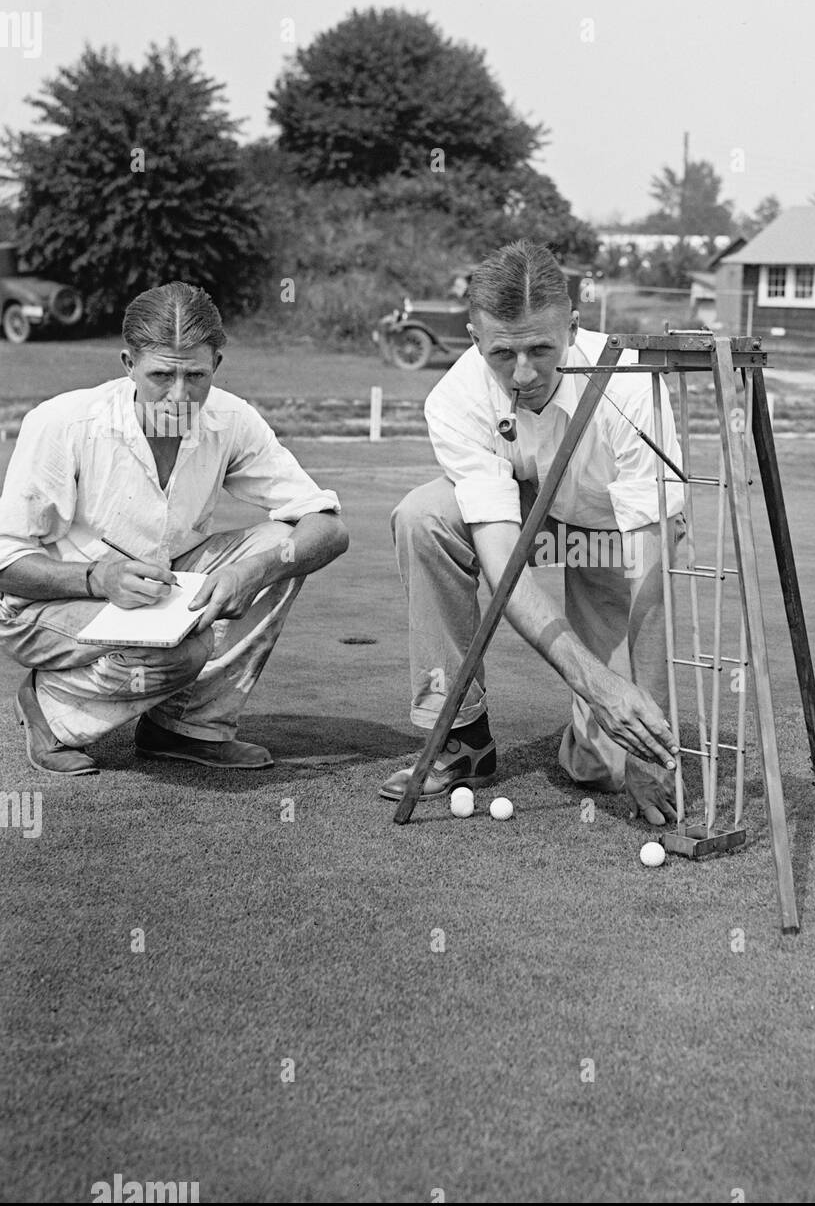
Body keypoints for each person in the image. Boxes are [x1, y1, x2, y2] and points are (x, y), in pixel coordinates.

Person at [382, 240, 685, 824]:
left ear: (573, 327)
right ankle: (462, 735)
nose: (523, 374)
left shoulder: (628, 383)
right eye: (503, 353)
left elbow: (653, 562)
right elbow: (502, 559)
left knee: (606, 769)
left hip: (610, 535)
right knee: (423, 517)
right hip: (525, 518)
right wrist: (593, 682)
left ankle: (602, 739)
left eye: (542, 348)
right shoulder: (454, 398)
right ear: (475, 339)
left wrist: (649, 728)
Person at [0, 281, 348, 775]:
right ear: (128, 364)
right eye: (162, 374)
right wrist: (98, 579)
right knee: (181, 652)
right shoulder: (63, 423)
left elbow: (329, 528)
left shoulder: (231, 418)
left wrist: (256, 570)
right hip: (43, 607)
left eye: (196, 376)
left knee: (284, 544)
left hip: (157, 587)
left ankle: (184, 728)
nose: (180, 396)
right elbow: (6, 564)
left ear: (217, 366)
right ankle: (51, 710)